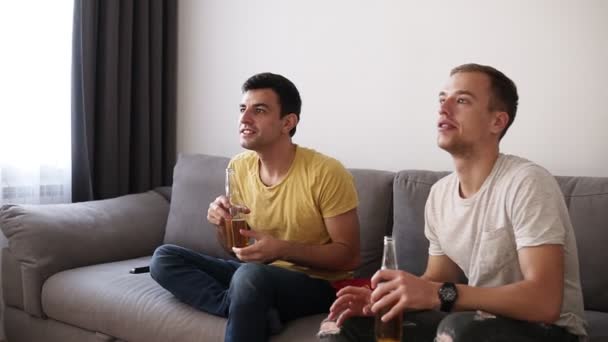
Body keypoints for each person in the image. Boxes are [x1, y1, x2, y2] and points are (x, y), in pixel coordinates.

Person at [323, 64, 587, 341]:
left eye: (461, 100)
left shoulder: (527, 182)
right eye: (442, 99)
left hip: (548, 330)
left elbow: (544, 302)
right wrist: (390, 298)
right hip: (479, 321)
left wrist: (439, 294)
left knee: (457, 332)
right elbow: (437, 279)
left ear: (497, 122)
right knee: (347, 326)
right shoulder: (439, 195)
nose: (443, 108)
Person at [150, 72, 361, 342]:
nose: (244, 119)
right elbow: (236, 250)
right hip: (255, 276)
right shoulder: (239, 167)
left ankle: (247, 303)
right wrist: (222, 224)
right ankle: (249, 307)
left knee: (250, 276)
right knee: (164, 258)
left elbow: (349, 256)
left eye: (258, 110)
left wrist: (282, 248)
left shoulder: (326, 172)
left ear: (288, 122)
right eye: (242, 109)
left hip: (319, 285)